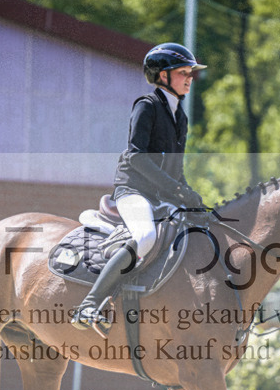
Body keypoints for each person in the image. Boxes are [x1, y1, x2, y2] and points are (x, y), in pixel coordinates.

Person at [71, 42, 207, 332]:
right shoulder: (147, 106)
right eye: (183, 73)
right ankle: (89, 304)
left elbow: (175, 169)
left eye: (190, 73)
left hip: (160, 195)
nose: (189, 79)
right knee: (145, 236)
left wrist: (190, 195)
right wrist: (176, 189)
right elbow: (136, 156)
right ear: (163, 76)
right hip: (133, 191)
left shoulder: (180, 117)